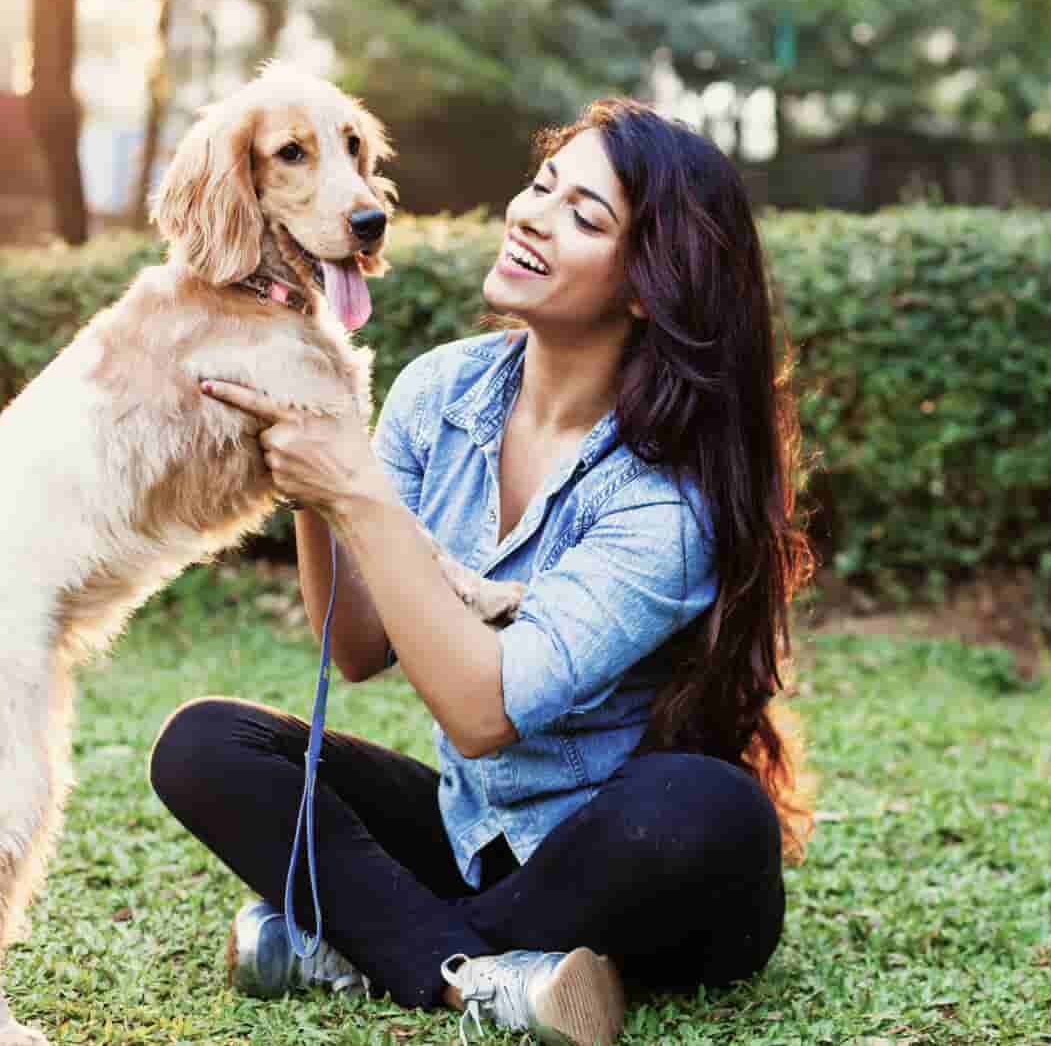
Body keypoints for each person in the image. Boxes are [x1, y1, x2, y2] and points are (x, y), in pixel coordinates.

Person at [147, 98, 815, 1045]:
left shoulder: (667, 498)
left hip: (632, 864)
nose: (534, 215)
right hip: (476, 838)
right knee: (207, 744)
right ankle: (480, 974)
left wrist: (356, 487)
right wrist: (313, 474)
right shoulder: (440, 390)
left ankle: (372, 951)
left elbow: (483, 713)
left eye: (585, 217)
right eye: (543, 186)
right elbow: (358, 646)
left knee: (707, 804)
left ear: (646, 287)